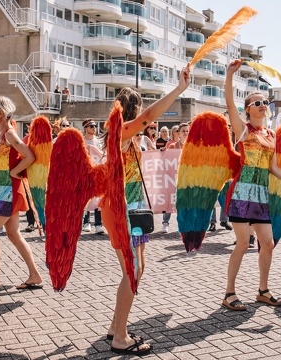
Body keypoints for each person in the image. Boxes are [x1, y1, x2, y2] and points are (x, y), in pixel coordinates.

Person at [99, 67, 190, 355]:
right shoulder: (122, 132)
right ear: (132, 111)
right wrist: (178, 90)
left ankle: (116, 326)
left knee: (139, 267)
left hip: (133, 208)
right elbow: (149, 118)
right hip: (121, 208)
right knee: (133, 269)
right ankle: (120, 337)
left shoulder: (128, 136)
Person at [222, 59, 281, 311]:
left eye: (265, 103)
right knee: (241, 243)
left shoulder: (271, 135)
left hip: (261, 195)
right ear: (248, 109)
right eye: (257, 103)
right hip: (242, 193)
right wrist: (229, 75)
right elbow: (229, 103)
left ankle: (263, 290)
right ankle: (229, 292)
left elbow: (273, 167)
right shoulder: (243, 130)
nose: (262, 106)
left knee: (268, 243)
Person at [0, 96, 43, 296]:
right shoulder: (2, 133)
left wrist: (16, 172)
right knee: (13, 234)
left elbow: (29, 156)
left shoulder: (10, 134)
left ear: (0, 113)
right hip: (2, 191)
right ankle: (35, 276)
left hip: (8, 193)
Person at [163, 122, 190, 233]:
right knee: (175, 202)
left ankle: (184, 224)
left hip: (188, 180)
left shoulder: (191, 146)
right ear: (178, 133)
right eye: (183, 131)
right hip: (175, 180)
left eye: (187, 131)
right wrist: (162, 152)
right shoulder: (173, 146)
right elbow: (165, 161)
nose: (185, 133)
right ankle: (168, 223)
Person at [82, 119, 105, 234]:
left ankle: (98, 223)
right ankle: (86, 222)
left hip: (97, 174)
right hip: (85, 174)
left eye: (95, 126)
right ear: (85, 128)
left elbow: (104, 154)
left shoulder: (99, 142)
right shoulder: (82, 141)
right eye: (91, 126)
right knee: (87, 198)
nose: (94, 128)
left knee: (98, 197)